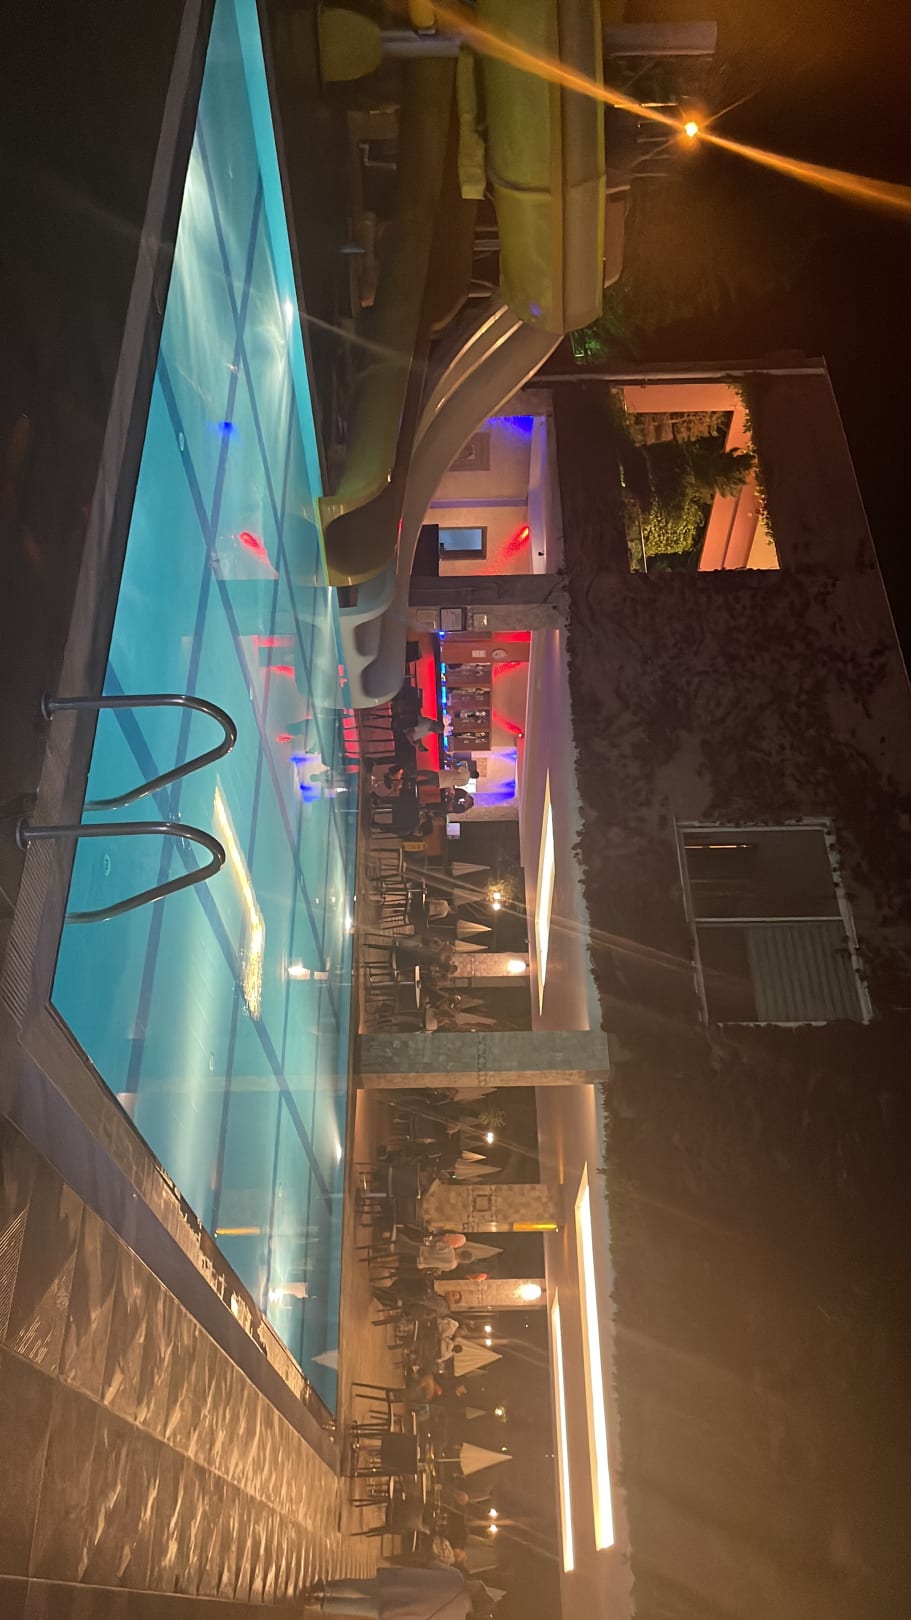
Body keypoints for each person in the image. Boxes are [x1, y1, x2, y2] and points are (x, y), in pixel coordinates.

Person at [304, 1565, 474, 1618]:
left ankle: (325, 1588)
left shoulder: (456, 1577)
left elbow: (431, 1565)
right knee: (360, 1608)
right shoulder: (458, 1617)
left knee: (361, 1586)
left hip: (400, 1586)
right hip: (402, 1612)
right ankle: (319, 1602)